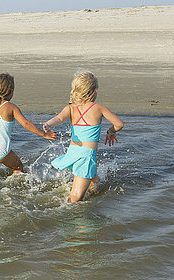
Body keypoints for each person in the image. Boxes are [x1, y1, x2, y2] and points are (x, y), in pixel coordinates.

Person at [43, 71, 124, 203]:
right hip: (86, 155)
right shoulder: (99, 108)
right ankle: (68, 214)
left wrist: (48, 124)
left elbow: (59, 118)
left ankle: (92, 200)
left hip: (73, 152)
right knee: (76, 197)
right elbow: (119, 124)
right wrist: (110, 132)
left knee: (96, 183)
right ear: (94, 92)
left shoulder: (71, 108)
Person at [0, 73, 57, 179]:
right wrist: (44, 134)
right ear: (11, 92)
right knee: (19, 169)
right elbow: (26, 124)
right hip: (1, 150)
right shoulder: (11, 108)